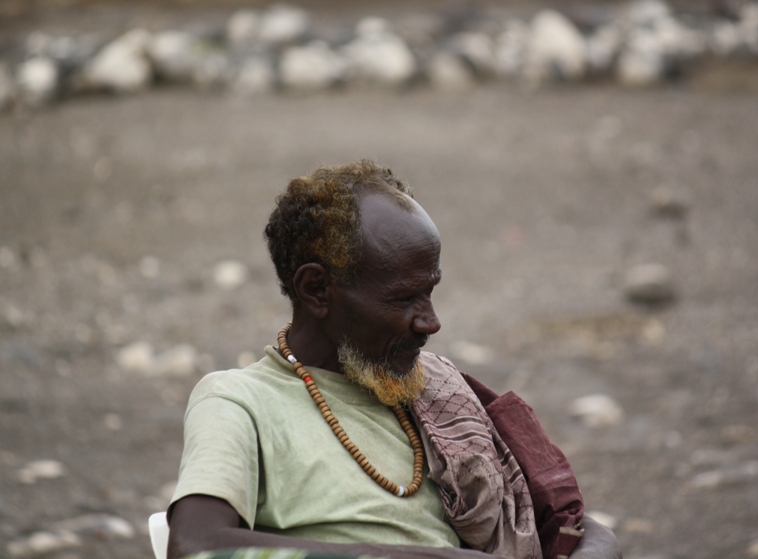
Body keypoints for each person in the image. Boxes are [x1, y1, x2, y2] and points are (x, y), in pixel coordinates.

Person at [167, 160, 620, 559]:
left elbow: (557, 519)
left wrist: (599, 549)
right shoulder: (240, 401)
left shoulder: (432, 393)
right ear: (317, 290)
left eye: (430, 291)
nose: (431, 322)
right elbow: (195, 547)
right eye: (405, 298)